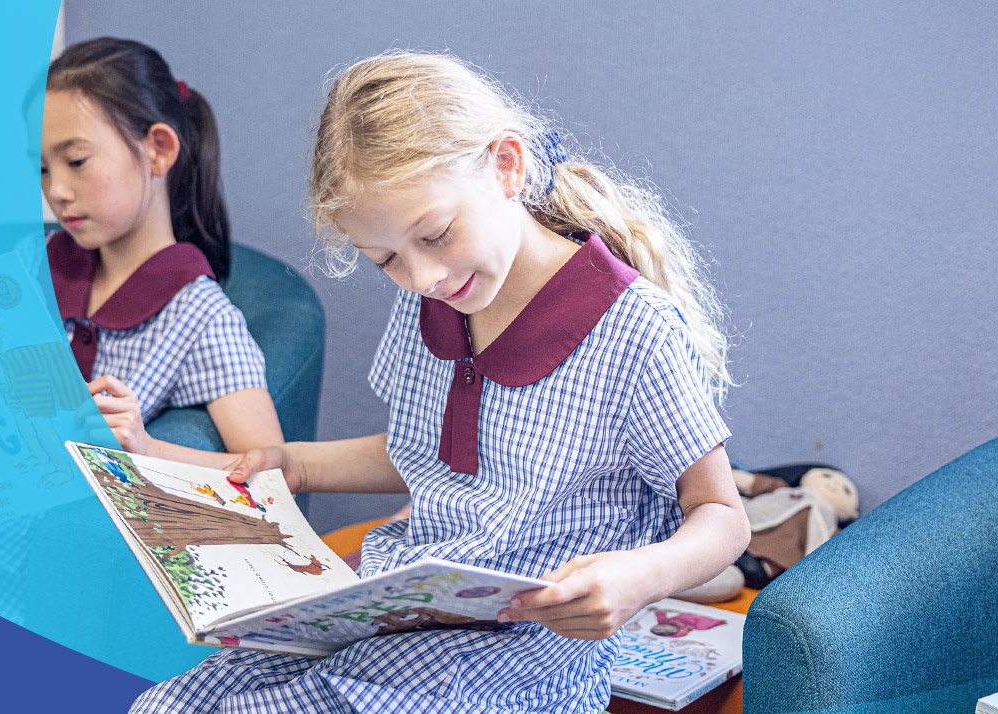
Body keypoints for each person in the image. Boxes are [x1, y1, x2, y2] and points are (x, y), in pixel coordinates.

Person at [131, 51, 750, 714]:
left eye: (435, 235)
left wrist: (638, 577)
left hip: (520, 658)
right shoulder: (437, 297)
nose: (421, 277)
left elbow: (721, 514)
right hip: (398, 610)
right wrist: (290, 466)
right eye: (387, 260)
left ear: (506, 166)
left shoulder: (634, 330)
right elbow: (426, 451)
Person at [41, 37, 283, 468]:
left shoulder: (200, 316)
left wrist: (147, 448)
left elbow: (270, 469)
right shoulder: (35, 264)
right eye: (41, 169)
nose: (56, 191)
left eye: (76, 161)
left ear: (159, 150)